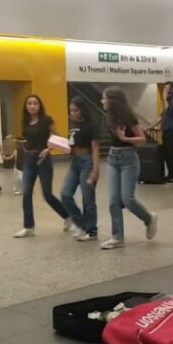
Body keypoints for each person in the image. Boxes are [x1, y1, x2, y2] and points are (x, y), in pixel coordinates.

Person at [100, 87, 158, 250]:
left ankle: (149, 219)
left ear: (112, 100)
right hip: (113, 158)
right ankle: (117, 237)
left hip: (129, 159)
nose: (102, 101)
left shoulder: (128, 117)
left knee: (127, 199)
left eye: (104, 98)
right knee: (113, 200)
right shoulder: (109, 117)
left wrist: (125, 138)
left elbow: (142, 140)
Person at [13, 94, 72, 238]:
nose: (32, 106)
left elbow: (58, 138)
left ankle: (67, 216)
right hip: (29, 160)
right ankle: (28, 227)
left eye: (35, 103)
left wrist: (48, 149)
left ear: (39, 106)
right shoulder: (25, 122)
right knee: (26, 193)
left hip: (44, 160)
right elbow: (28, 139)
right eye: (29, 104)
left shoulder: (47, 120)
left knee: (47, 194)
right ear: (26, 107)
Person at [61, 97, 102, 242]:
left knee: (87, 197)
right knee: (65, 194)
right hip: (75, 162)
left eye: (76, 110)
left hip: (87, 161)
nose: (73, 113)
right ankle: (81, 223)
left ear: (83, 109)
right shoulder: (72, 124)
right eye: (71, 111)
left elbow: (95, 148)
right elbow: (71, 144)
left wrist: (95, 169)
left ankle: (91, 230)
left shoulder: (91, 125)